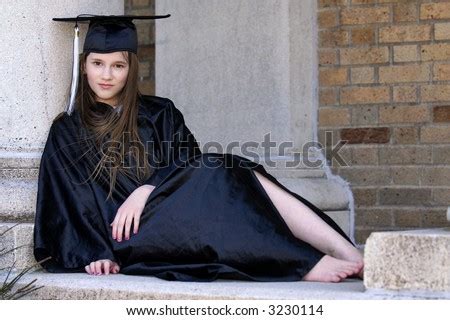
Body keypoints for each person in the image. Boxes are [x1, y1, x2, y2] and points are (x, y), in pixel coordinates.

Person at [34, 14, 363, 283]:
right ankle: (305, 263)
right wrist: (96, 252)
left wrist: (146, 188)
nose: (106, 75)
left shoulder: (159, 111)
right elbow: (67, 201)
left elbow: (188, 163)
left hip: (166, 207)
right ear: (84, 65)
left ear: (131, 69)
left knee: (227, 168)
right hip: (125, 234)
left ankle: (345, 251)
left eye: (117, 66)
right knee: (219, 173)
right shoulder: (68, 130)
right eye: (97, 64)